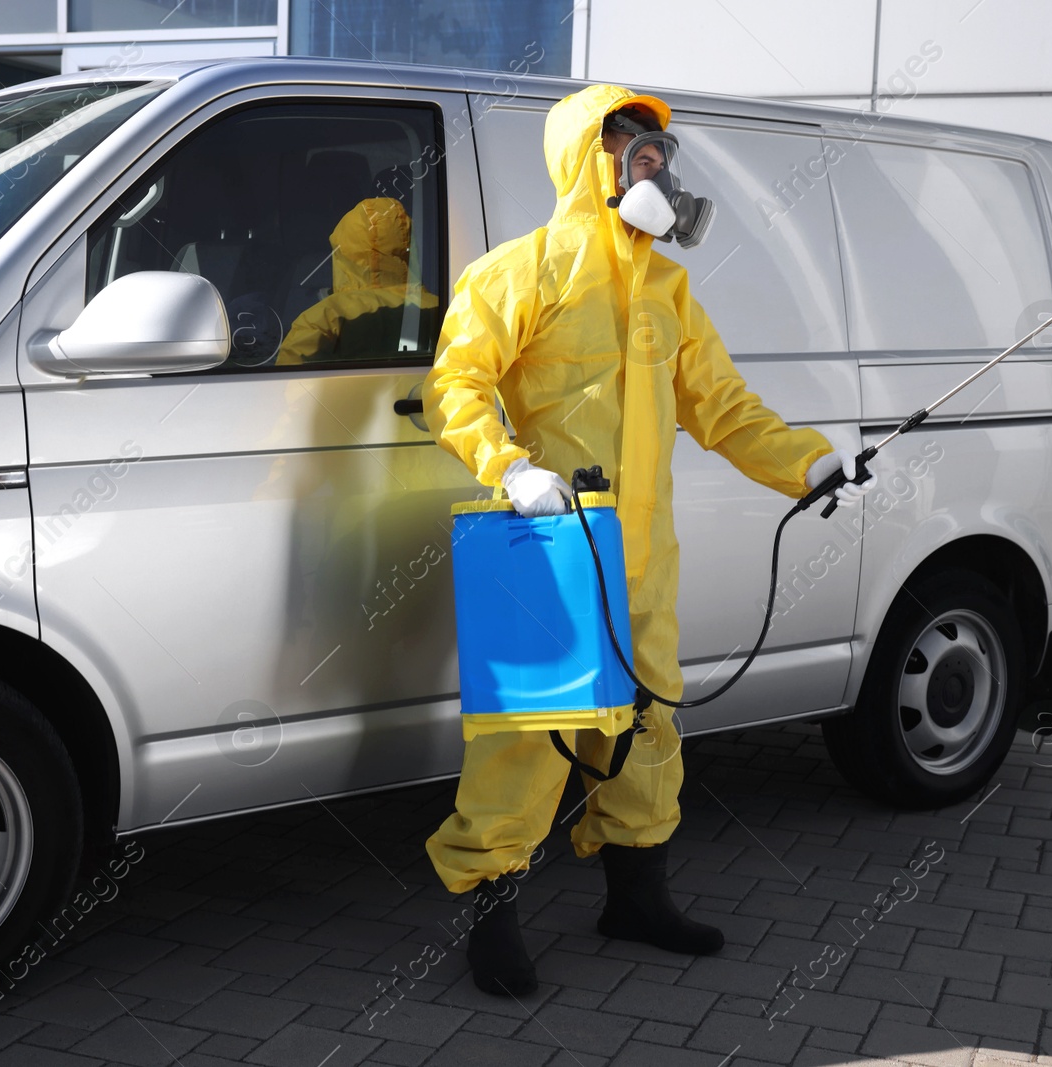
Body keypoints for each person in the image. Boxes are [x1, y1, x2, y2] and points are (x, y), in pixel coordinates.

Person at [420, 84, 878, 996]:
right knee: (526, 730)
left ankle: (636, 899)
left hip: (640, 557)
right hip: (547, 547)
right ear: (595, 161)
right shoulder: (523, 271)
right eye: (639, 157)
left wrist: (809, 465)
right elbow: (455, 384)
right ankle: (491, 914)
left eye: (662, 159)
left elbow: (724, 408)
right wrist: (509, 466)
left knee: (647, 725)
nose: (657, 172)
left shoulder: (669, 288)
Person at [275, 196, 439, 365]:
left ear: (342, 250)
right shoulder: (444, 312)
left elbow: (288, 386)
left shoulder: (324, 319)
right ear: (409, 245)